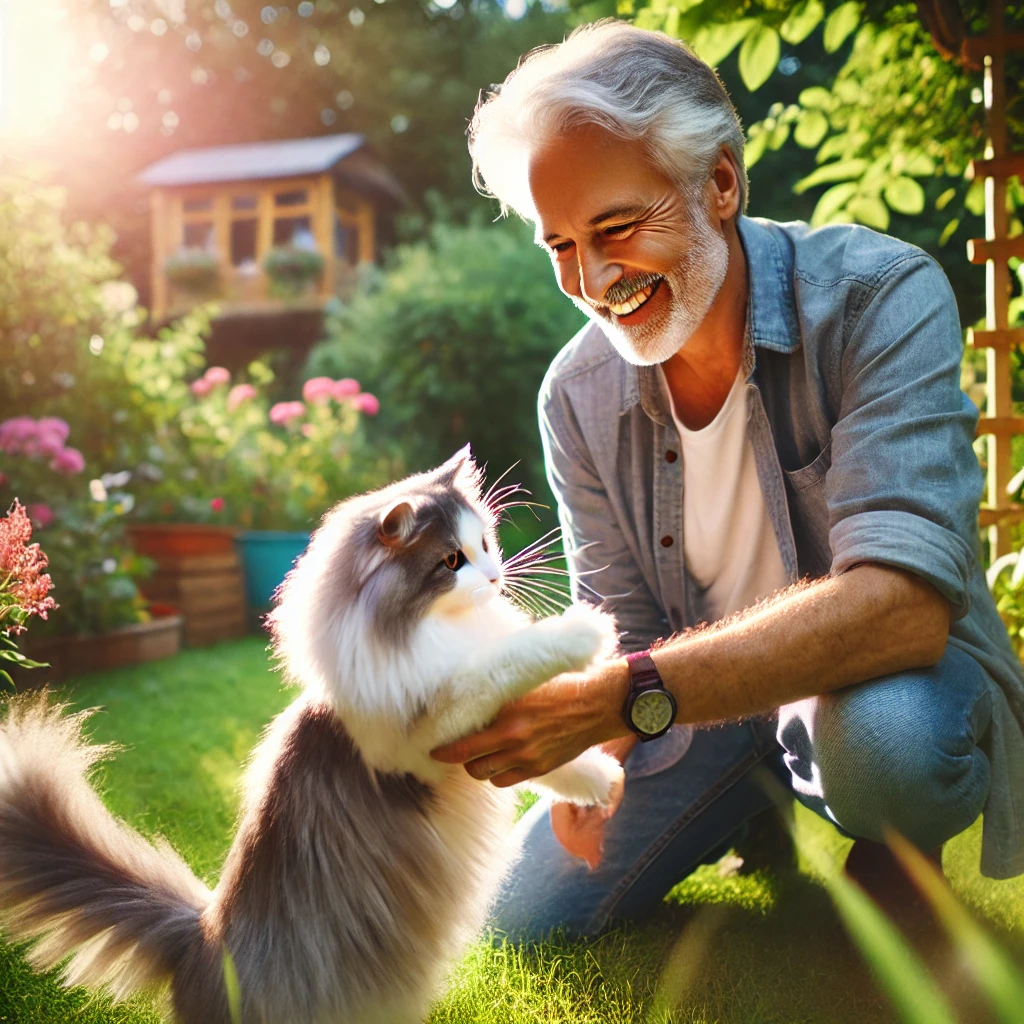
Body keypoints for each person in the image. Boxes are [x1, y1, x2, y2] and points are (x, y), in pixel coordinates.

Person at [430, 20, 1024, 940]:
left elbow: (903, 607)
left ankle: (894, 844)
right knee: (520, 919)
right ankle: (750, 805)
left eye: (617, 226)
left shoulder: (881, 298)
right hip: (687, 709)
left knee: (886, 751)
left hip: (863, 691)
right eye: (560, 245)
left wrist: (613, 699)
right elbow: (619, 621)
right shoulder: (574, 396)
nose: (592, 279)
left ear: (718, 183)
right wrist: (597, 753)